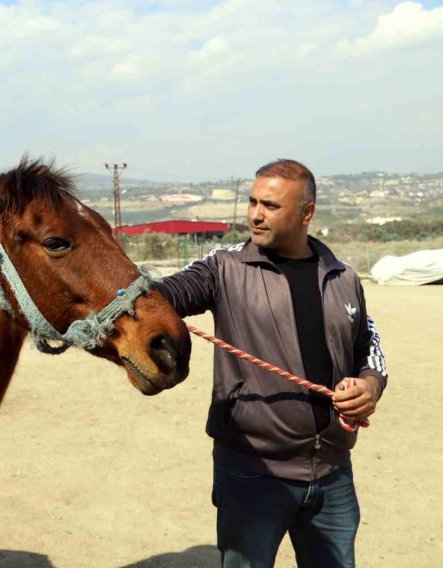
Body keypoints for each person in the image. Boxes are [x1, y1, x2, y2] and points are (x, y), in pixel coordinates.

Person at [156, 159, 388, 568]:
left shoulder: (343, 276)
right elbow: (165, 295)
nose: (255, 214)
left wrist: (369, 385)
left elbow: (367, 344)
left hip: (333, 473)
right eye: (252, 202)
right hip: (252, 474)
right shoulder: (224, 268)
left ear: (306, 214)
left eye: (271, 205)